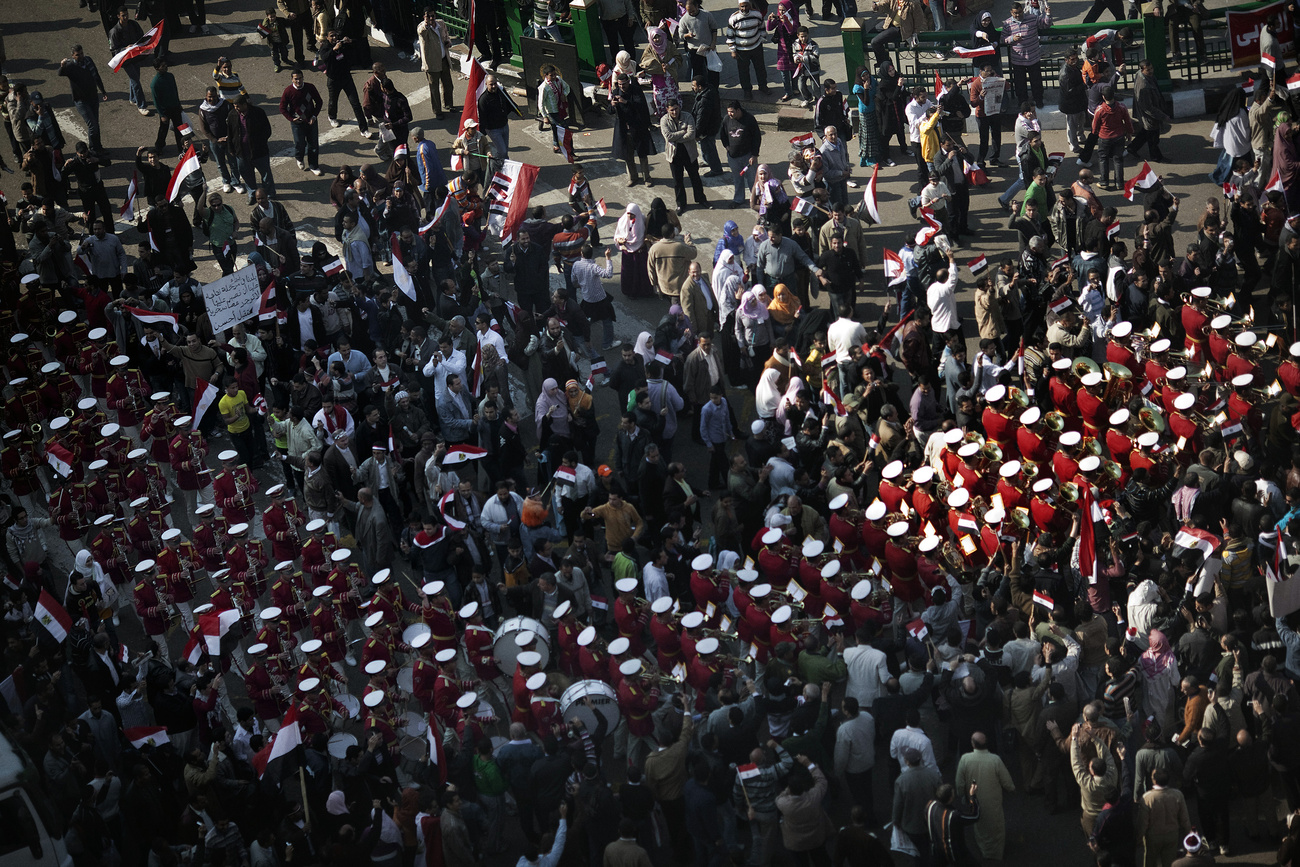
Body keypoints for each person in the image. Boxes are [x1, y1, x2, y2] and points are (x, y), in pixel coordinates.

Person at [660, 101, 709, 216]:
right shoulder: (664, 120)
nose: (674, 112)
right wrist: (683, 132)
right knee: (678, 181)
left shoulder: (688, 116)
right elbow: (668, 136)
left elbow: (691, 134)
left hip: (689, 153)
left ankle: (701, 199)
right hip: (674, 155)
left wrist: (676, 137)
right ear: (667, 109)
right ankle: (681, 204)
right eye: (672, 110)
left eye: (676, 109)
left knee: (695, 177)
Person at [280, 69, 323, 176]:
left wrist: (314, 116)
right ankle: (299, 158)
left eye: (300, 78)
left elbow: (319, 101)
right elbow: (282, 108)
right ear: (292, 80)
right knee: (300, 143)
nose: (298, 81)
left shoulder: (310, 87)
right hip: (297, 122)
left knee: (313, 144)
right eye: (296, 79)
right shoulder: (288, 91)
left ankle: (314, 165)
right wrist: (291, 118)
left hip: (310, 120)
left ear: (303, 78)